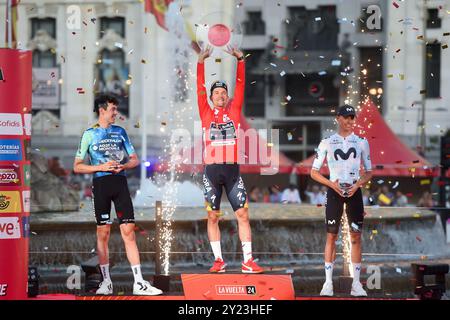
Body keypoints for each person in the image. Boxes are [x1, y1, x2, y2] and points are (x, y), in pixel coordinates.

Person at [73, 94, 162, 296]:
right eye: (113, 109)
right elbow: (77, 167)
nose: (116, 113)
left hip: (120, 183)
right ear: (102, 110)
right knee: (102, 234)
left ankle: (139, 282)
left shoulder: (120, 132)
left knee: (129, 232)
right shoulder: (89, 134)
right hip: (101, 184)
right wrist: (101, 166)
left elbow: (135, 160)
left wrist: (122, 165)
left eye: (116, 109)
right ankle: (106, 282)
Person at [197, 45, 263, 274]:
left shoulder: (234, 110)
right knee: (212, 216)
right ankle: (218, 261)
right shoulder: (205, 112)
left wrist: (240, 59)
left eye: (224, 92)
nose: (221, 95)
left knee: (243, 214)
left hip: (233, 171)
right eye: (216, 92)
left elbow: (241, 84)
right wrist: (201, 61)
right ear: (211, 96)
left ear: (228, 96)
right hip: (212, 172)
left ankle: (248, 261)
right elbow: (199, 87)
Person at [310, 104, 373, 297]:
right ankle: (327, 283)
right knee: (331, 236)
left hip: (355, 193)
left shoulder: (362, 142)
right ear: (338, 118)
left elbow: (369, 172)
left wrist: (358, 184)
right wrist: (331, 184)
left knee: (356, 237)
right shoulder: (327, 142)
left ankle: (356, 284)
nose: (350, 121)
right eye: (346, 117)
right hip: (334, 192)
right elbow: (313, 172)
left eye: (352, 118)